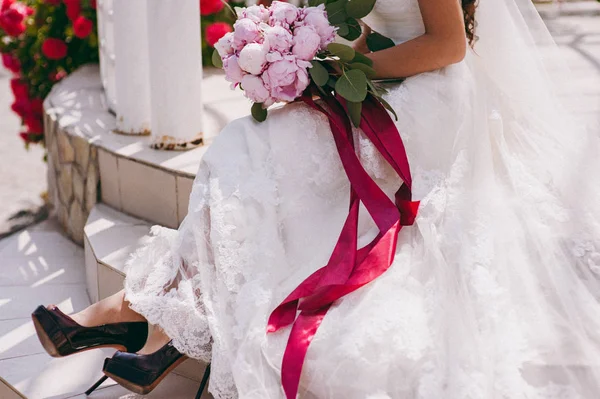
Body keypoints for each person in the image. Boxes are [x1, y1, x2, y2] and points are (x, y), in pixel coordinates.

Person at [31, 0, 600, 397]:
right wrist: (291, 58)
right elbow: (359, 24)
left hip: (429, 97)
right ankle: (152, 327)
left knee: (258, 150)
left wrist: (339, 71)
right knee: (243, 143)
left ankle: (136, 321)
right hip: (374, 83)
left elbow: (448, 46)